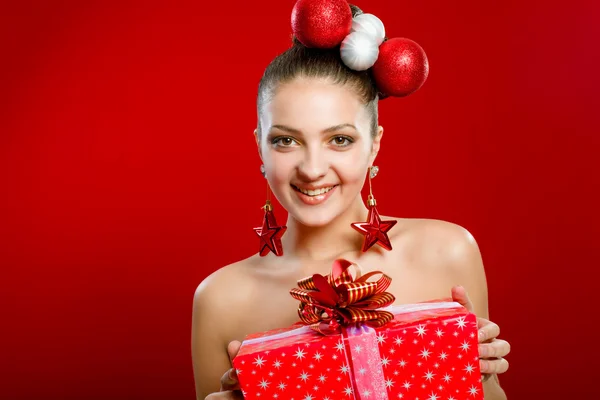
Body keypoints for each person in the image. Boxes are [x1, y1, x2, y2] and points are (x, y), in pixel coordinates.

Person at [192, 4, 510, 400]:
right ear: (260, 144)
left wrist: (485, 377)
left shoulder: (448, 252)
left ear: (374, 143)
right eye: (285, 140)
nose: (311, 169)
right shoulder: (221, 300)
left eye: (339, 140)